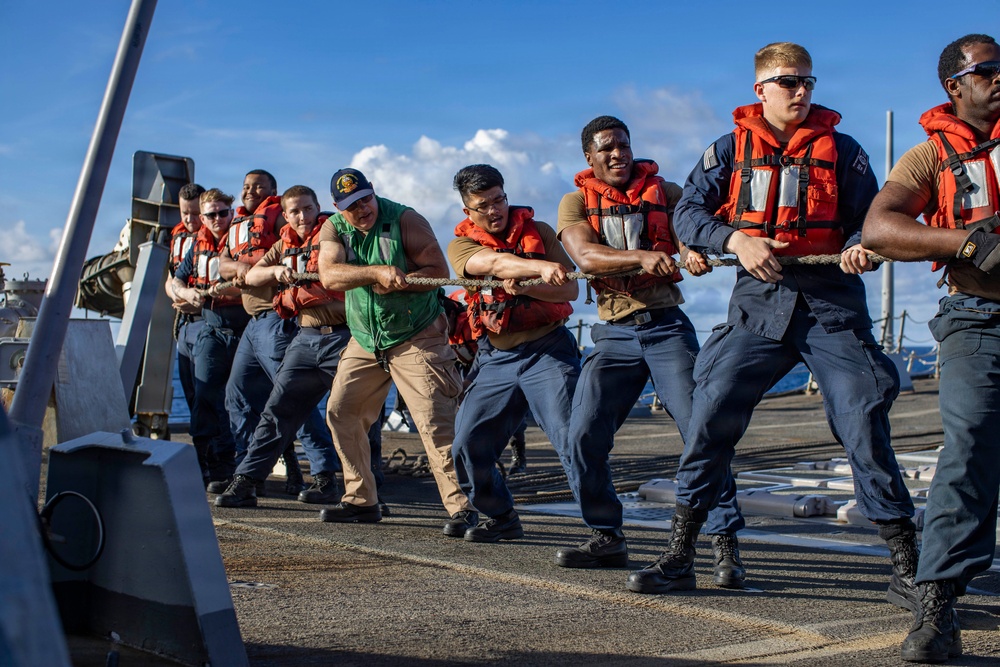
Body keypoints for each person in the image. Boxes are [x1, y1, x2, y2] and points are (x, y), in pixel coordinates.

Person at [627, 42, 917, 599]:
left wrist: (862, 245)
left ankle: (905, 565)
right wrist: (735, 237)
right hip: (757, 311)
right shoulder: (728, 150)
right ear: (760, 90)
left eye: (808, 82)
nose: (801, 92)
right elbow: (687, 213)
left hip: (831, 311)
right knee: (709, 419)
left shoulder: (845, 150)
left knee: (862, 423)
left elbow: (874, 219)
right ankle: (680, 554)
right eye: (788, 82)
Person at [862, 33, 1000, 664]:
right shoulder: (927, 159)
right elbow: (881, 226)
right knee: (969, 441)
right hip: (978, 319)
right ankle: (937, 604)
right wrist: (962, 243)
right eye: (988, 70)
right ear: (956, 85)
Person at [555, 115, 726, 573]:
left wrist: (692, 247)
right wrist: (646, 256)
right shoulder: (574, 204)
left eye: (624, 145)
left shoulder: (666, 193)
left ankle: (724, 541)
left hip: (667, 328)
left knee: (701, 431)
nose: (618, 154)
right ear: (589, 157)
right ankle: (606, 535)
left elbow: (694, 222)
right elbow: (586, 256)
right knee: (582, 435)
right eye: (607, 148)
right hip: (614, 336)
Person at [317, 168, 474, 529]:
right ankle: (361, 500)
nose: (362, 209)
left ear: (374, 192)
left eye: (366, 199)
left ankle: (464, 507)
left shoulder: (405, 219)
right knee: (342, 411)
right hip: (366, 338)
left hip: (416, 334)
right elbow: (329, 275)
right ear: (338, 208)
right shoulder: (334, 228)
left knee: (436, 421)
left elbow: (437, 269)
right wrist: (376, 273)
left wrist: (405, 283)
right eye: (352, 206)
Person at [447, 164, 580, 542]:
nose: (494, 210)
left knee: (572, 436)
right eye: (483, 205)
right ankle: (500, 516)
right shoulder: (461, 244)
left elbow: (569, 291)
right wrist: (535, 269)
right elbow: (488, 263)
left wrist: (522, 288)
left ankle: (604, 532)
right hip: (497, 357)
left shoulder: (541, 233)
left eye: (499, 199)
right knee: (467, 444)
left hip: (548, 349)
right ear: (467, 211)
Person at [215, 185, 348, 508]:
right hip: (303, 334)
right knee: (273, 405)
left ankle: (340, 482)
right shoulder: (284, 244)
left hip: (340, 336)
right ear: (286, 216)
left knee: (351, 411)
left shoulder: (334, 236)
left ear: (318, 207)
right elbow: (254, 274)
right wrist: (275, 271)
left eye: (307, 208)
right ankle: (247, 479)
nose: (302, 216)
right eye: (295, 211)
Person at [171, 188, 249, 487]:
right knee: (204, 395)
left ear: (231, 212)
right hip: (211, 328)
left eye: (223, 213)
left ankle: (242, 467)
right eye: (211, 215)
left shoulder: (242, 240)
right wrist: (185, 291)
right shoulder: (198, 246)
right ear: (203, 218)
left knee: (241, 398)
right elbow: (178, 277)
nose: (218, 219)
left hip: (244, 329)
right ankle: (205, 463)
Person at [165, 182, 206, 418]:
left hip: (207, 320)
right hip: (184, 324)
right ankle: (204, 451)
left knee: (208, 393)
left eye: (195, 213)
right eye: (185, 213)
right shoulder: (178, 236)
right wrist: (177, 294)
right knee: (190, 391)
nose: (190, 219)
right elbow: (169, 279)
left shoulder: (216, 236)